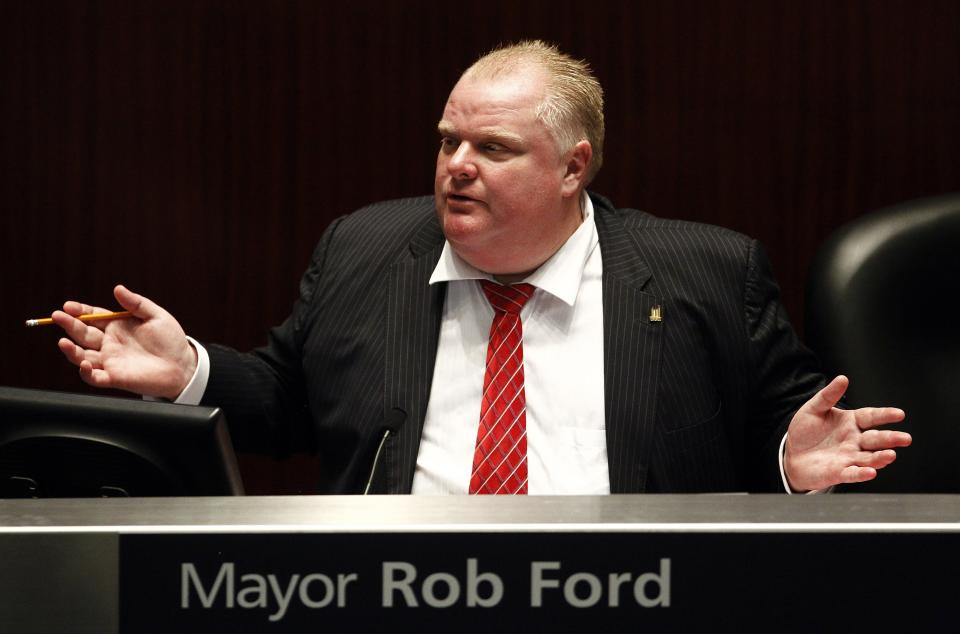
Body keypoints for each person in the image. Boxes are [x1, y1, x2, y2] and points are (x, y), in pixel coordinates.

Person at [51, 40, 910, 495]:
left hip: (633, 598)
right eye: (447, 141)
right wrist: (186, 372)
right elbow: (288, 403)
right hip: (399, 593)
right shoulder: (366, 248)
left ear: (574, 168)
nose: (456, 165)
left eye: (492, 148)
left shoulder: (706, 273)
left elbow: (782, 437)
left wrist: (787, 464)